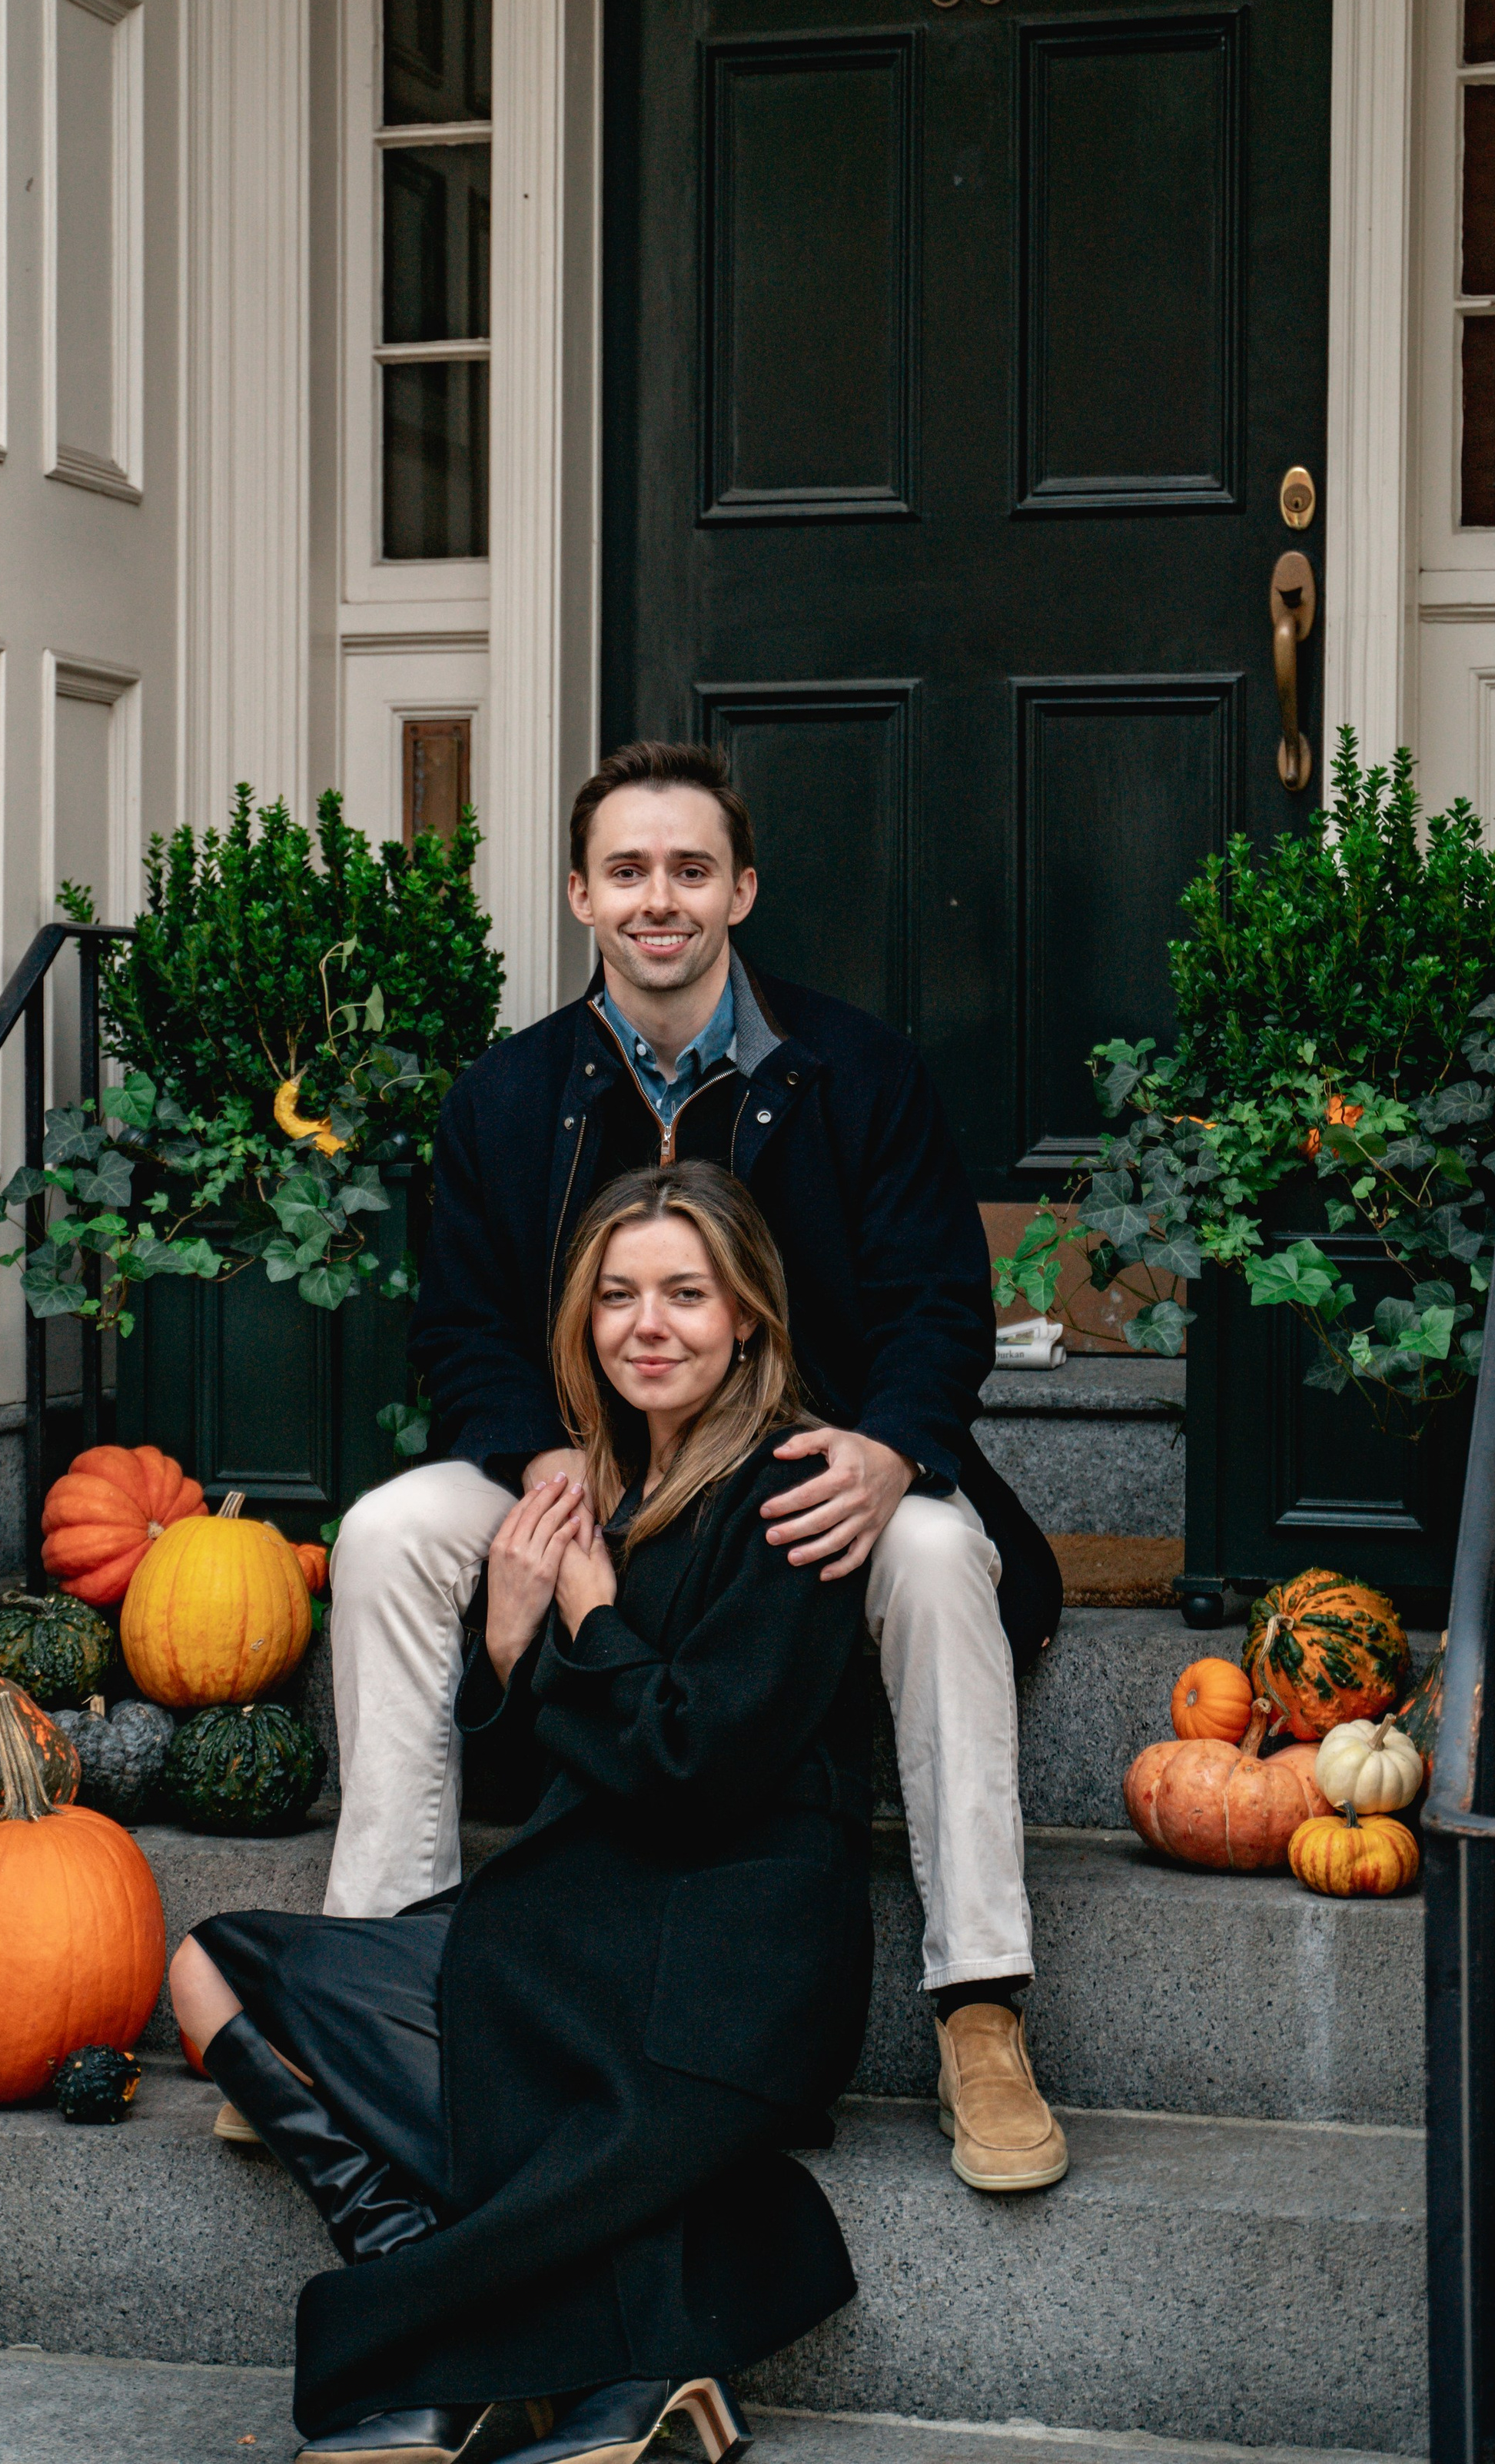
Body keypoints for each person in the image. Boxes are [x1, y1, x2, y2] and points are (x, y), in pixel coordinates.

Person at [326, 739, 1068, 2191]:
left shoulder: (858, 1070)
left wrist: (891, 1447)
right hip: (587, 1461)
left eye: (688, 869)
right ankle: (377, 1967)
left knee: (935, 1554)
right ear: (578, 895)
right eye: (626, 871)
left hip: (807, 1472)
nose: (656, 898)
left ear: (741, 890)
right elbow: (461, 1329)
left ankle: (979, 2005)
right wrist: (544, 1455)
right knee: (389, 1531)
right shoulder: (506, 1096)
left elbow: (939, 1305)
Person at [171, 1164, 873, 2464]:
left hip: (727, 1961)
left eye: (685, 1294)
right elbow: (546, 1778)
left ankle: (477, 2352)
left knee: (470, 2029)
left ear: (748, 1319)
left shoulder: (791, 1491)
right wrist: (509, 1646)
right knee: (211, 1967)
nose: (646, 1325)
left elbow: (694, 1770)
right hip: (587, 1923)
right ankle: (432, 2280)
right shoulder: (604, 1490)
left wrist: (581, 1622)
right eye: (616, 1295)